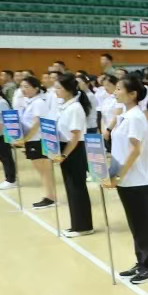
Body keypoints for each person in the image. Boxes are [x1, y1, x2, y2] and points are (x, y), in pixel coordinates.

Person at [104, 76, 148, 284]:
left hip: (135, 178)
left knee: (143, 223)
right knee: (135, 223)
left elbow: (135, 150)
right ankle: (141, 261)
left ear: (133, 94)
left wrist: (119, 175)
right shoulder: (125, 115)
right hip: (125, 179)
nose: (115, 92)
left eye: (119, 89)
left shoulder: (136, 117)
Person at [50, 74, 95, 237]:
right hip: (65, 149)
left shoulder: (75, 108)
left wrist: (64, 155)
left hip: (73, 150)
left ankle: (84, 226)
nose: (55, 91)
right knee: (71, 189)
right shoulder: (65, 106)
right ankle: (76, 224)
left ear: (68, 89)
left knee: (77, 189)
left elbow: (75, 135)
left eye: (59, 88)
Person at [16, 75, 58, 209]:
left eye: (27, 87)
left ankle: (49, 198)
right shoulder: (28, 102)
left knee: (44, 169)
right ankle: (48, 195)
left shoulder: (38, 103)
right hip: (31, 140)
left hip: (38, 139)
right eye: (22, 87)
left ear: (36, 88)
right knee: (40, 169)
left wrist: (25, 139)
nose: (24, 89)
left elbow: (37, 123)